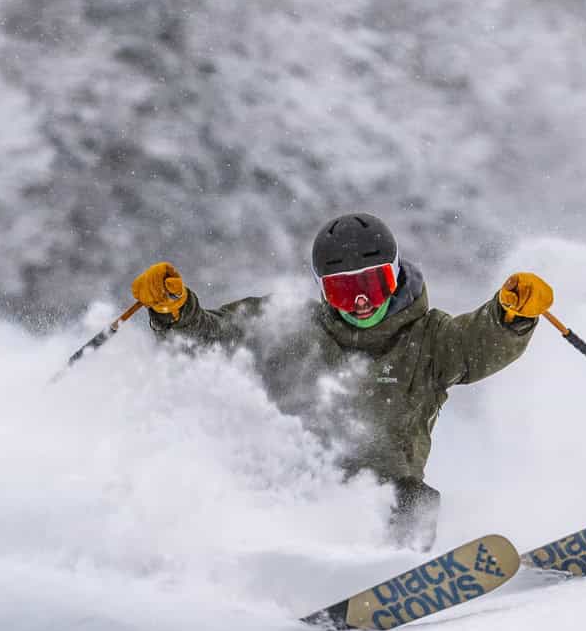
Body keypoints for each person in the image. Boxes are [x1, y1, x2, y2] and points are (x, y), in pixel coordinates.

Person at [131, 212, 553, 548]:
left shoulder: (429, 339)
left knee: (408, 500)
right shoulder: (291, 328)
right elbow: (216, 336)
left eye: (373, 284)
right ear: (323, 291)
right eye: (344, 291)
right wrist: (175, 312)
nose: (362, 301)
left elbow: (477, 342)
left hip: (390, 498)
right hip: (299, 492)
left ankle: (394, 571)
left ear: (395, 275)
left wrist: (510, 317)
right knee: (254, 495)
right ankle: (280, 572)